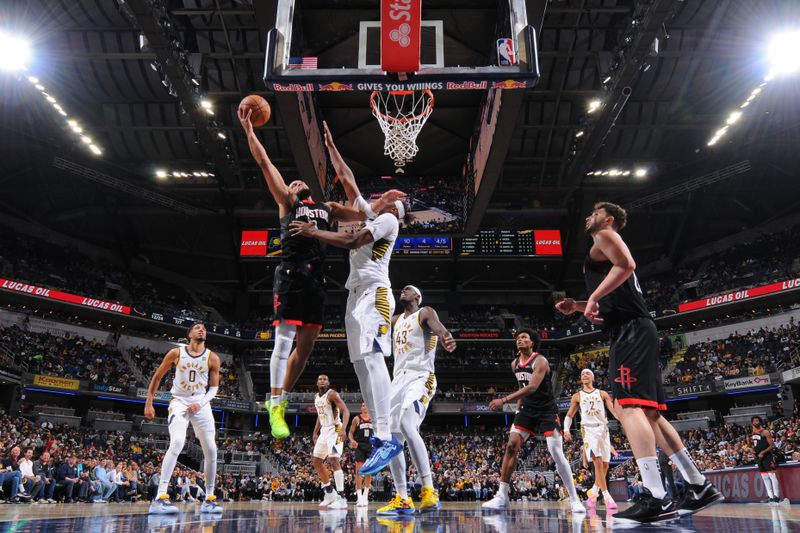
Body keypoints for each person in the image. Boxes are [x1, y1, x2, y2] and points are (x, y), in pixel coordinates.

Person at [238, 108, 403, 440]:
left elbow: (356, 200)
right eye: (293, 181)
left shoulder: (326, 209)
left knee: (308, 346)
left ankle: (281, 394)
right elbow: (265, 163)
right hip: (290, 273)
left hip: (317, 280)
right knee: (284, 340)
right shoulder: (287, 200)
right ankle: (276, 403)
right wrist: (249, 131)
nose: (297, 181)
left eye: (300, 181)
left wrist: (382, 202)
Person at [556, 202, 723, 522]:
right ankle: (699, 484)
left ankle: (657, 496)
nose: (588, 216)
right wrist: (579, 305)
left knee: (629, 408)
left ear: (608, 219)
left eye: (593, 212)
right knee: (652, 416)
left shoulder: (604, 234)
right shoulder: (601, 251)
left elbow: (628, 264)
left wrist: (590, 298)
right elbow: (613, 302)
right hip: (635, 327)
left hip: (630, 332)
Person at [289, 122, 408, 476]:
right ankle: (377, 436)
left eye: (389, 193)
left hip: (376, 293)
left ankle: (386, 434)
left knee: (373, 359)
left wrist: (315, 231)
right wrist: (330, 146)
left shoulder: (388, 222)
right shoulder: (372, 214)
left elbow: (354, 242)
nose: (381, 194)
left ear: (396, 202)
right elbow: (347, 178)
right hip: (354, 296)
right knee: (359, 364)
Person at [483, 329, 585, 514]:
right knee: (511, 445)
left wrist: (504, 400)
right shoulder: (514, 364)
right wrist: (517, 411)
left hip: (546, 409)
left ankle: (574, 498)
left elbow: (531, 387)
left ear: (532, 343)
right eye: (518, 338)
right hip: (527, 409)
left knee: (555, 450)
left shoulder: (541, 361)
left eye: (524, 338)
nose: (519, 340)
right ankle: (502, 495)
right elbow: (521, 387)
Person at [378, 285, 456, 515]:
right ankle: (402, 498)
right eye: (402, 289)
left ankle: (429, 490)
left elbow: (439, 327)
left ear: (418, 297)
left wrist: (445, 336)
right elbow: (377, 324)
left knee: (406, 423)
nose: (403, 290)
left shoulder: (424, 312)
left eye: (409, 290)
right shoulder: (395, 319)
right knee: (392, 440)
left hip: (421, 376)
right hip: (397, 381)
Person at [145, 323, 223, 514]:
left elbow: (213, 389)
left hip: (200, 402)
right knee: (178, 442)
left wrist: (201, 403)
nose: (201, 329)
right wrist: (149, 402)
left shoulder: (212, 357)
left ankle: (210, 498)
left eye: (204, 328)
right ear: (189, 334)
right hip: (179, 401)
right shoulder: (176, 353)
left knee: (211, 449)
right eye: (197, 327)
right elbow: (157, 377)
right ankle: (160, 496)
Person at [563, 368, 619, 509]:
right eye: (582, 374)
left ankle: (593, 491)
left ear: (593, 377)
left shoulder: (602, 393)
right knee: (598, 462)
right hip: (588, 429)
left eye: (587, 373)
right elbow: (569, 415)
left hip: (603, 429)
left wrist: (623, 419)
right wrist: (565, 429)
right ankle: (607, 496)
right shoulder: (577, 396)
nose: (584, 375)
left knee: (605, 465)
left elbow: (613, 410)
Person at [312, 374, 349, 509]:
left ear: (328, 382)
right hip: (324, 431)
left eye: (325, 379)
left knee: (334, 460)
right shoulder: (316, 397)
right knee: (316, 461)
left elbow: (346, 411)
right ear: (317, 383)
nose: (322, 381)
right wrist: (315, 432)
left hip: (335, 429)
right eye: (320, 379)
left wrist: (343, 429)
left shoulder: (332, 394)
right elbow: (320, 416)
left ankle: (341, 497)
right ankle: (329, 493)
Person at [751, 415, 788, 505]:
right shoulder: (753, 433)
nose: (756, 422)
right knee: (764, 477)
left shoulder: (765, 432)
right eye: (754, 421)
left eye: (757, 420)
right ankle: (770, 496)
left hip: (767, 456)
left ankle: (777, 497)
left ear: (760, 422)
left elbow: (772, 445)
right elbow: (756, 444)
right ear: (752, 423)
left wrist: (763, 452)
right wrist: (752, 450)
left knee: (772, 476)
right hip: (759, 457)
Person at [348, 402, 374, 507]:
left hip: (371, 446)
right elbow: (350, 432)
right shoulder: (356, 419)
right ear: (361, 407)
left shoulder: (374, 418)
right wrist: (352, 440)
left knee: (369, 471)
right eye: (363, 405)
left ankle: (365, 496)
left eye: (366, 404)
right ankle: (359, 497)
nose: (365, 406)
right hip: (360, 446)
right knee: (358, 471)